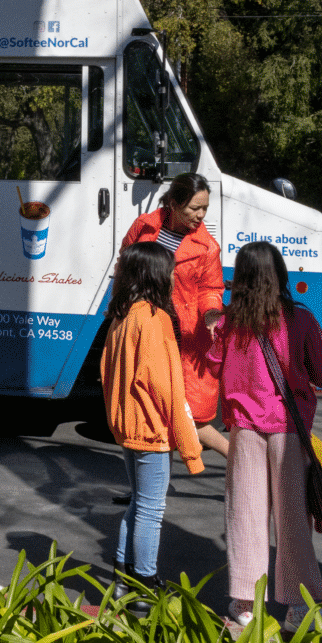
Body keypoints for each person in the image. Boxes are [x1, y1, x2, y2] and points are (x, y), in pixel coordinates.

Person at [206, 241, 322, 631]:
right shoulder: (301, 320)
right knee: (293, 518)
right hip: (289, 429)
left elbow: (213, 366)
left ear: (241, 279)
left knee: (245, 513)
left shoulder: (229, 324)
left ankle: (246, 603)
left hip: (244, 428)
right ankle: (299, 607)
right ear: (280, 274)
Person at [101, 242, 203, 611]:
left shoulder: (122, 315)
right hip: (151, 428)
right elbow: (165, 386)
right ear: (156, 275)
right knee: (150, 510)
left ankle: (124, 579)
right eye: (170, 271)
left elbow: (108, 374)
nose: (174, 277)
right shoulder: (154, 318)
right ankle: (144, 585)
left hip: (129, 426)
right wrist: (190, 448)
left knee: (138, 504)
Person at [120, 172, 229, 461]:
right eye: (195, 208)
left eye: (205, 208)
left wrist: (212, 313)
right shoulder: (144, 226)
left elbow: (211, 288)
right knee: (146, 406)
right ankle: (150, 481)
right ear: (173, 203)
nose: (201, 215)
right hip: (142, 327)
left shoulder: (207, 247)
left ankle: (239, 461)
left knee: (183, 410)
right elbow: (125, 264)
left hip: (180, 336)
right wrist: (120, 309)